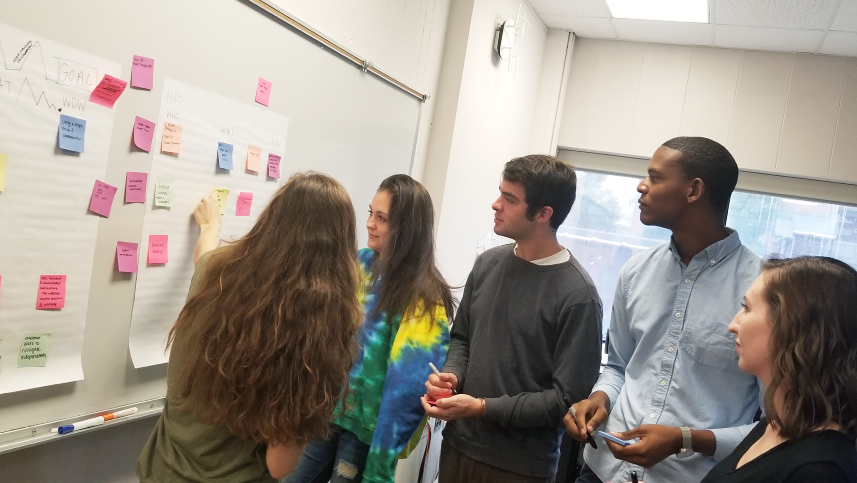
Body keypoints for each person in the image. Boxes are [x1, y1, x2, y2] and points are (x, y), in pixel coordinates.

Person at [137, 172, 362, 482]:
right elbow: (279, 464)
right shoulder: (312, 335)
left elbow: (205, 255)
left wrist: (210, 226)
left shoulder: (212, 272)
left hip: (162, 470)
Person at [565, 137, 763, 483]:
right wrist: (600, 397)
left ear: (693, 190)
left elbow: (773, 425)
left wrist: (685, 440)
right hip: (602, 471)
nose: (642, 187)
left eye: (655, 178)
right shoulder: (636, 271)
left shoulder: (762, 289)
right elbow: (620, 367)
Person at [423, 154, 603, 482]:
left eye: (509, 199)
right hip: (458, 448)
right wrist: (451, 375)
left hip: (520, 467)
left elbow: (564, 400)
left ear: (543, 214)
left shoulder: (579, 296)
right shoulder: (487, 264)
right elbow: (462, 338)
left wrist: (481, 407)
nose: (495, 205)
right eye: (500, 194)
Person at [285, 174, 454, 483]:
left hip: (367, 432)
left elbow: (406, 392)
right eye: (370, 213)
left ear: (406, 230)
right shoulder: (362, 262)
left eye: (382, 218)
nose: (369, 224)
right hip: (329, 411)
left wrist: (380, 468)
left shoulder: (424, 297)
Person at [701, 256, 857, 482]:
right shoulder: (777, 423)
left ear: (792, 328)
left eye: (746, 308)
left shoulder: (820, 470)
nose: (733, 325)